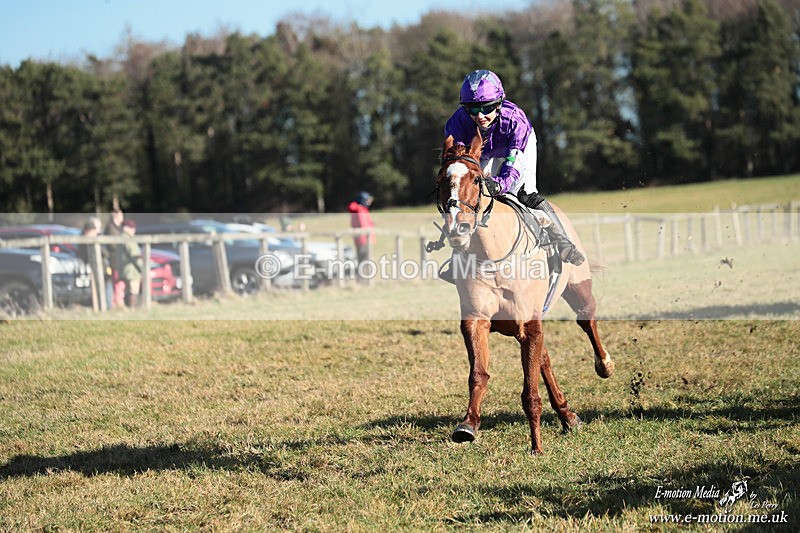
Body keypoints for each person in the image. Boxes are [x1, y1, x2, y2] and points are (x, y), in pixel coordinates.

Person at [442, 69, 585, 271]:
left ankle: (563, 243)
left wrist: (499, 184)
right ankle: (458, 257)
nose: (480, 116)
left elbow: (512, 166)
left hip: (516, 147)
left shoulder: (515, 121)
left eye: (488, 107)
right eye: (472, 109)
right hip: (480, 152)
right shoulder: (456, 124)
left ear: (499, 102)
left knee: (523, 194)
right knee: (468, 195)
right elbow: (459, 164)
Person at [116, 219, 143, 308]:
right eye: (132, 228)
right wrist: (142, 267)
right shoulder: (128, 239)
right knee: (133, 290)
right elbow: (134, 253)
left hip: (124, 269)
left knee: (128, 290)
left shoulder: (119, 238)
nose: (133, 231)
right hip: (132, 270)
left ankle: (127, 308)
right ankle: (132, 309)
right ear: (127, 228)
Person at [348, 191, 375, 275]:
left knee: (362, 260)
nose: (369, 202)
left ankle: (362, 279)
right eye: (367, 200)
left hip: (359, 239)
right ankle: (365, 279)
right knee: (365, 261)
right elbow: (364, 226)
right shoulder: (360, 210)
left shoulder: (357, 210)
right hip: (364, 240)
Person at [105, 208, 126, 308]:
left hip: (118, 259)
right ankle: (116, 303)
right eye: (121, 215)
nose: (123, 217)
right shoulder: (111, 228)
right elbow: (114, 245)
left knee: (119, 281)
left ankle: (118, 302)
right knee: (116, 280)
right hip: (114, 260)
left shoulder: (118, 228)